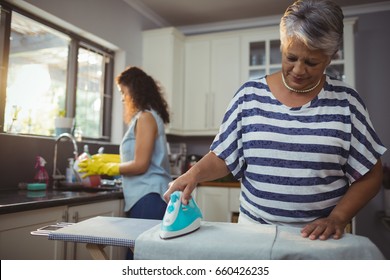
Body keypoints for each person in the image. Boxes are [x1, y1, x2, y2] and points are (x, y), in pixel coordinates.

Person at [164, 0, 387, 241]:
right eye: (291, 57)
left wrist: (337, 218)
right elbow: (224, 155)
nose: (299, 70)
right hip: (254, 233)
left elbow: (371, 176)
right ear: (282, 46)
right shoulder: (249, 96)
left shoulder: (346, 103)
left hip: (317, 238)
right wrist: (193, 174)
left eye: (312, 62)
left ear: (331, 57)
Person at [79, 66, 171, 221]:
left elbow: (141, 165)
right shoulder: (144, 117)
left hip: (148, 197)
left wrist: (105, 168)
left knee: (139, 245)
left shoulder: (146, 118)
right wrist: (105, 159)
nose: (122, 98)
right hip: (144, 196)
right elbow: (137, 157)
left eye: (123, 92)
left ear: (135, 91)